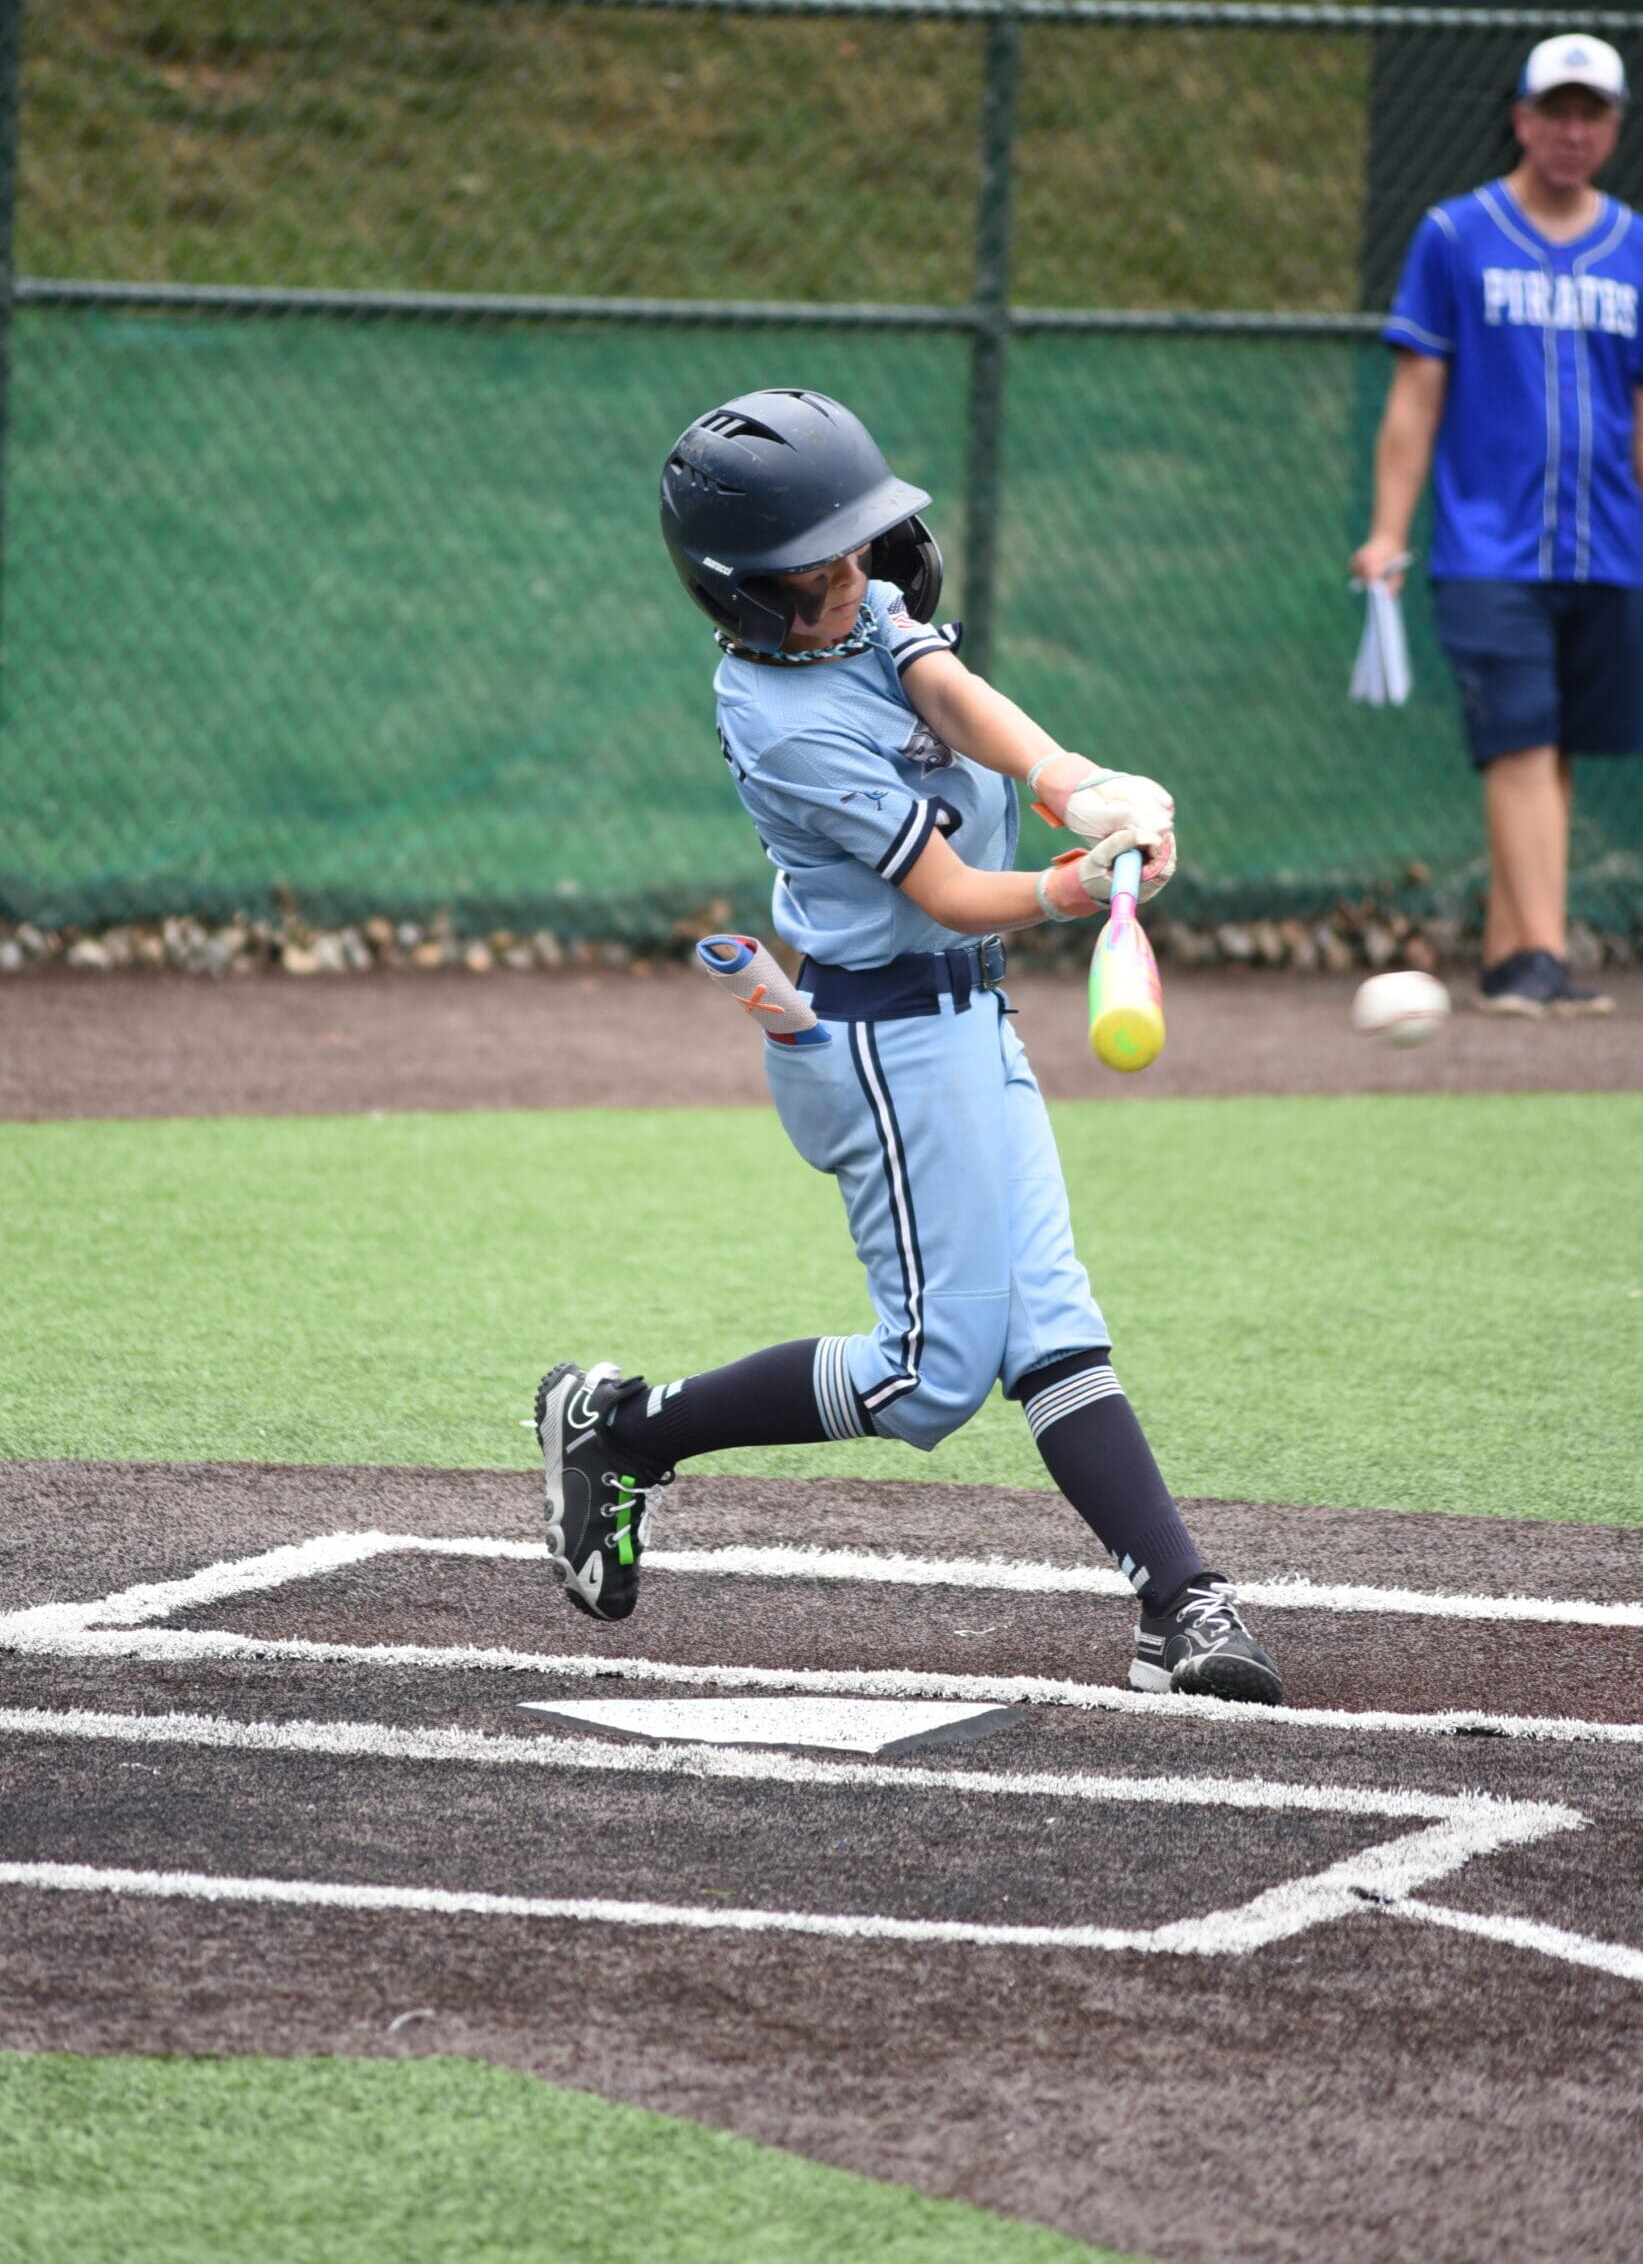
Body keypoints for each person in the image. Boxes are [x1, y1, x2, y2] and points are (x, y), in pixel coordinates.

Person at [533, 387, 1283, 1706]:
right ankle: (624, 1431)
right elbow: (944, 890)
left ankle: (1177, 1603)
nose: (853, 580)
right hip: (879, 1045)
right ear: (741, 593)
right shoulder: (780, 719)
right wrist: (1071, 883)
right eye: (816, 571)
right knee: (930, 1377)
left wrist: (1075, 784)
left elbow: (950, 688)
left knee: (1049, 1318)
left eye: (857, 551)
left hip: (967, 1018)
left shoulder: (859, 608)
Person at [1352, 31, 1643, 1016]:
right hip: (1489, 545)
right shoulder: (1455, 234)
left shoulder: (1632, 246)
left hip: (1607, 545)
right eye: (1555, 111)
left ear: (1614, 127)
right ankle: (1541, 961)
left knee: (1554, 747)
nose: (1572, 131)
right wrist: (1388, 531)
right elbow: (1415, 398)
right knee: (1518, 741)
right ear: (1520, 119)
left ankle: (1509, 947)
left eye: (1591, 113)